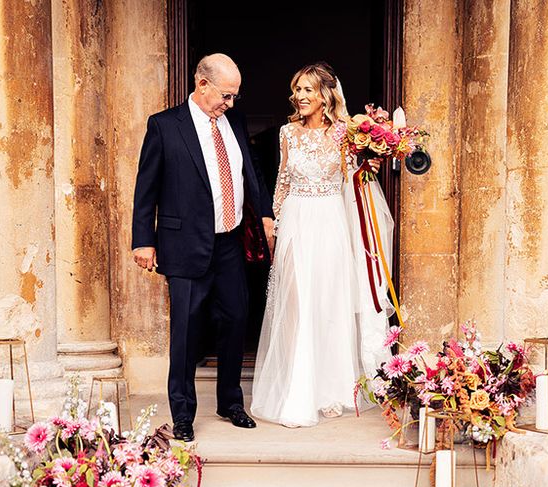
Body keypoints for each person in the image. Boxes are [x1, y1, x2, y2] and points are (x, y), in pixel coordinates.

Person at [132, 53, 274, 442]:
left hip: (229, 241)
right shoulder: (164, 126)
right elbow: (146, 188)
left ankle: (230, 402)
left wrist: (264, 213)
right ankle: (182, 414)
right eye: (226, 95)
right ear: (202, 84)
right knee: (186, 333)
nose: (230, 104)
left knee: (235, 321)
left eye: (234, 97)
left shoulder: (236, 122)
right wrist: (143, 240)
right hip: (184, 244)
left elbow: (252, 172)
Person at [251, 62, 393, 428]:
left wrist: (368, 169)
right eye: (297, 89)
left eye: (308, 90)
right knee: (297, 305)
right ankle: (300, 390)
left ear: (325, 95)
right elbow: (282, 180)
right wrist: (274, 224)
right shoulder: (286, 133)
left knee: (329, 304)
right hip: (296, 220)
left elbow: (352, 183)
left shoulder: (345, 134)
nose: (300, 97)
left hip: (331, 222)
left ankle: (331, 391)